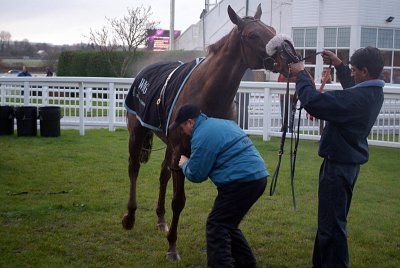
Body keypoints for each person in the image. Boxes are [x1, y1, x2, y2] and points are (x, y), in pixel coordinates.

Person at [289, 46, 385, 268]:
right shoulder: (372, 92)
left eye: (354, 70)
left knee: (331, 228)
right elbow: (352, 88)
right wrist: (339, 65)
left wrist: (301, 74)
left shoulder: (358, 98)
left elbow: (314, 102)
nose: (351, 73)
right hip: (346, 165)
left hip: (338, 168)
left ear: (365, 71)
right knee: (329, 224)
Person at [171, 104, 269, 268]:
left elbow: (197, 174)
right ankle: (248, 264)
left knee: (216, 226)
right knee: (227, 224)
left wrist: (185, 164)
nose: (182, 131)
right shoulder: (222, 123)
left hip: (240, 181)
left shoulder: (202, 136)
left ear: (190, 122)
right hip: (258, 176)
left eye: (182, 127)